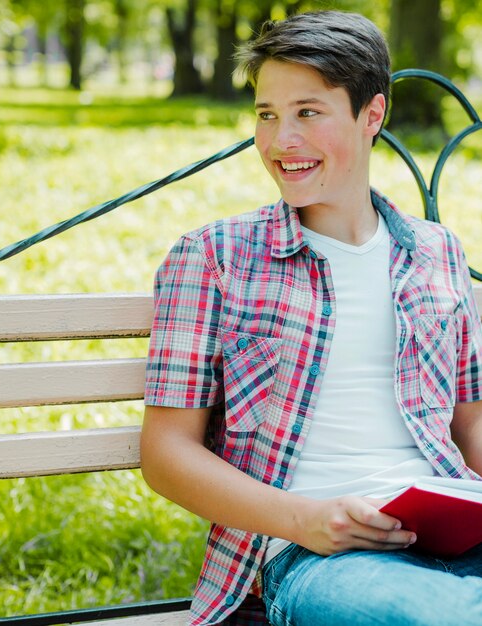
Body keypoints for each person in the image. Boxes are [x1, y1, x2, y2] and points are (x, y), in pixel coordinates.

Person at [140, 10, 482, 626]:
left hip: (455, 530)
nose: (279, 142)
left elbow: (472, 426)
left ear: (372, 115)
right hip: (316, 553)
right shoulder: (214, 257)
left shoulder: (436, 253)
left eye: (307, 113)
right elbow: (166, 452)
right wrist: (305, 520)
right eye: (266, 115)